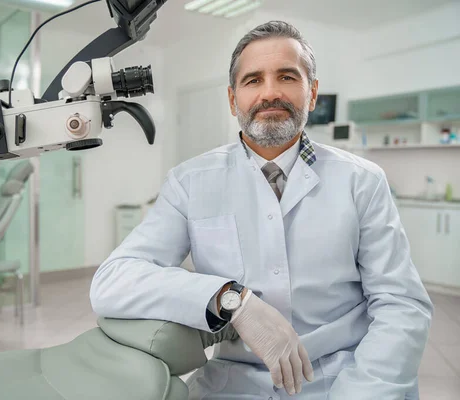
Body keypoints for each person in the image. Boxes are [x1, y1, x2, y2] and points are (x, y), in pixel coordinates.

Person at [90, 20, 433, 399]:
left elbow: (400, 303)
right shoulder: (190, 182)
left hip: (343, 377)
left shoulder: (362, 180)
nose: (270, 93)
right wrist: (231, 299)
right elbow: (113, 281)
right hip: (233, 384)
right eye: (253, 80)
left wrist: (363, 390)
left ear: (312, 93)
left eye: (287, 77)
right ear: (233, 98)